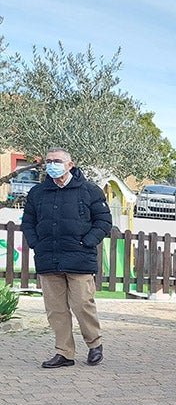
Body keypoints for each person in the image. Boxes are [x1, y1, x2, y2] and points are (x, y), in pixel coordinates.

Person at [21, 148, 112, 369]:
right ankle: (64, 353)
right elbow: (28, 222)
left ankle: (94, 344)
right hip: (48, 258)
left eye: (57, 161)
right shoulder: (38, 193)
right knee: (56, 310)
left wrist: (87, 241)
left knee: (82, 304)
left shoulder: (90, 191)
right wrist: (36, 243)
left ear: (70, 165)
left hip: (79, 258)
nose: (52, 164)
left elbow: (103, 222)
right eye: (49, 161)